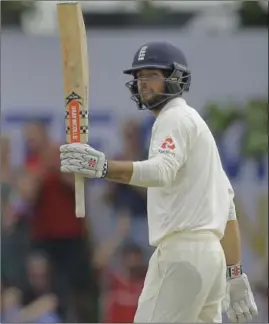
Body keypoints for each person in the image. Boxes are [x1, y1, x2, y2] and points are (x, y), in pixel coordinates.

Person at [59, 42, 258, 323]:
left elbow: (161, 171)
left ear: (176, 78)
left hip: (182, 254)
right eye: (139, 77)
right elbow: (228, 210)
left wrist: (100, 166)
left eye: (152, 75)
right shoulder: (197, 126)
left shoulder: (173, 118)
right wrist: (235, 274)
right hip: (209, 260)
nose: (143, 84)